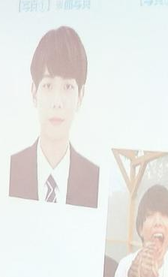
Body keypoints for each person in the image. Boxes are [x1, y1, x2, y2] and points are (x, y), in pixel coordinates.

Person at [9, 26, 100, 207]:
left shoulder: (94, 180)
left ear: (80, 96)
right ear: (34, 92)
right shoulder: (11, 170)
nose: (57, 102)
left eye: (68, 87)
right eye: (48, 86)